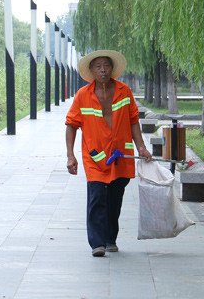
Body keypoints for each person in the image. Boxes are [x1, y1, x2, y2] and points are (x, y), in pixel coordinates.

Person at [65, 50, 152, 257]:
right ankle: (97, 243)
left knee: (115, 198)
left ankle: (110, 238)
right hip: (95, 156)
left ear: (112, 69)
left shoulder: (124, 91)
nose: (103, 70)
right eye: (98, 66)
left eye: (106, 65)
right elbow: (71, 124)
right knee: (97, 196)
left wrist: (141, 147)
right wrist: (70, 155)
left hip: (121, 155)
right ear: (92, 70)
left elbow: (133, 120)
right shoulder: (83, 95)